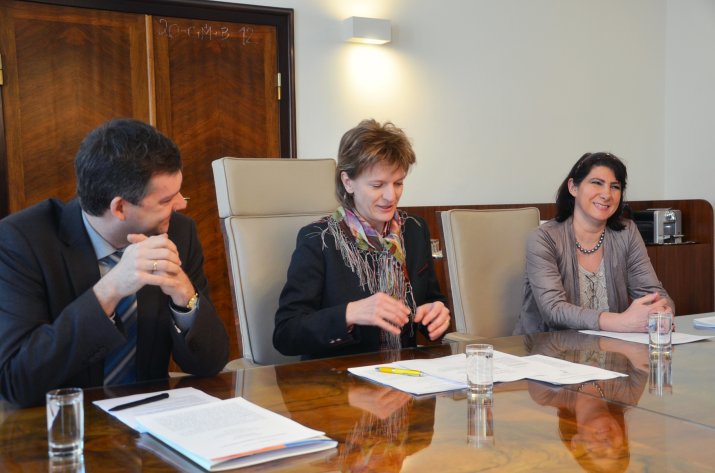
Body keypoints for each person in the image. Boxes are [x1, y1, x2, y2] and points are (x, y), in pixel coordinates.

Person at [0, 118, 229, 407]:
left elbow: (210, 363)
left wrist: (186, 297)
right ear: (120, 207)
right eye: (166, 200)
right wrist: (110, 290)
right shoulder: (21, 242)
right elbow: (16, 382)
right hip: (65, 421)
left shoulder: (178, 233)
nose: (182, 204)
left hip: (152, 417)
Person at [273, 119, 450, 359]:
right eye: (377, 185)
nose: (391, 196)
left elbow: (431, 300)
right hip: (341, 375)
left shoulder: (414, 230)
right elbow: (286, 333)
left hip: (404, 372)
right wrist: (350, 313)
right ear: (348, 182)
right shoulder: (318, 239)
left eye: (398, 183)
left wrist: (436, 314)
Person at [514, 152, 674, 335]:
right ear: (573, 187)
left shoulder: (627, 233)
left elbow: (654, 294)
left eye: (615, 187)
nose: (607, 194)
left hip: (608, 348)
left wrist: (661, 313)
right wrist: (620, 322)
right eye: (597, 183)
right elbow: (554, 311)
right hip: (546, 347)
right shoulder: (543, 238)